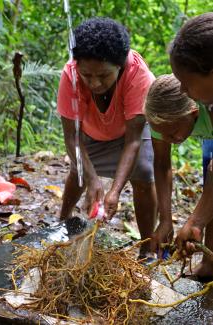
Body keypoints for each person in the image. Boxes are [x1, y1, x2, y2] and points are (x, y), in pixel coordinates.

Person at [57, 17, 157, 255]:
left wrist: (114, 191)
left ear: (120, 66)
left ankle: (147, 248)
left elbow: (134, 139)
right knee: (78, 172)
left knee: (143, 172)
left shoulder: (137, 74)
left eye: (103, 75)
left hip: (128, 132)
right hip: (89, 134)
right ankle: (61, 222)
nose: (94, 83)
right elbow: (72, 137)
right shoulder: (70, 74)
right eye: (87, 75)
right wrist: (92, 180)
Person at [145, 73, 213, 279]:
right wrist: (165, 219)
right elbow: (162, 163)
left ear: (193, 113)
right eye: (162, 134)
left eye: (173, 133)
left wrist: (195, 222)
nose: (169, 139)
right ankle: (210, 266)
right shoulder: (160, 119)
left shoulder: (209, 104)